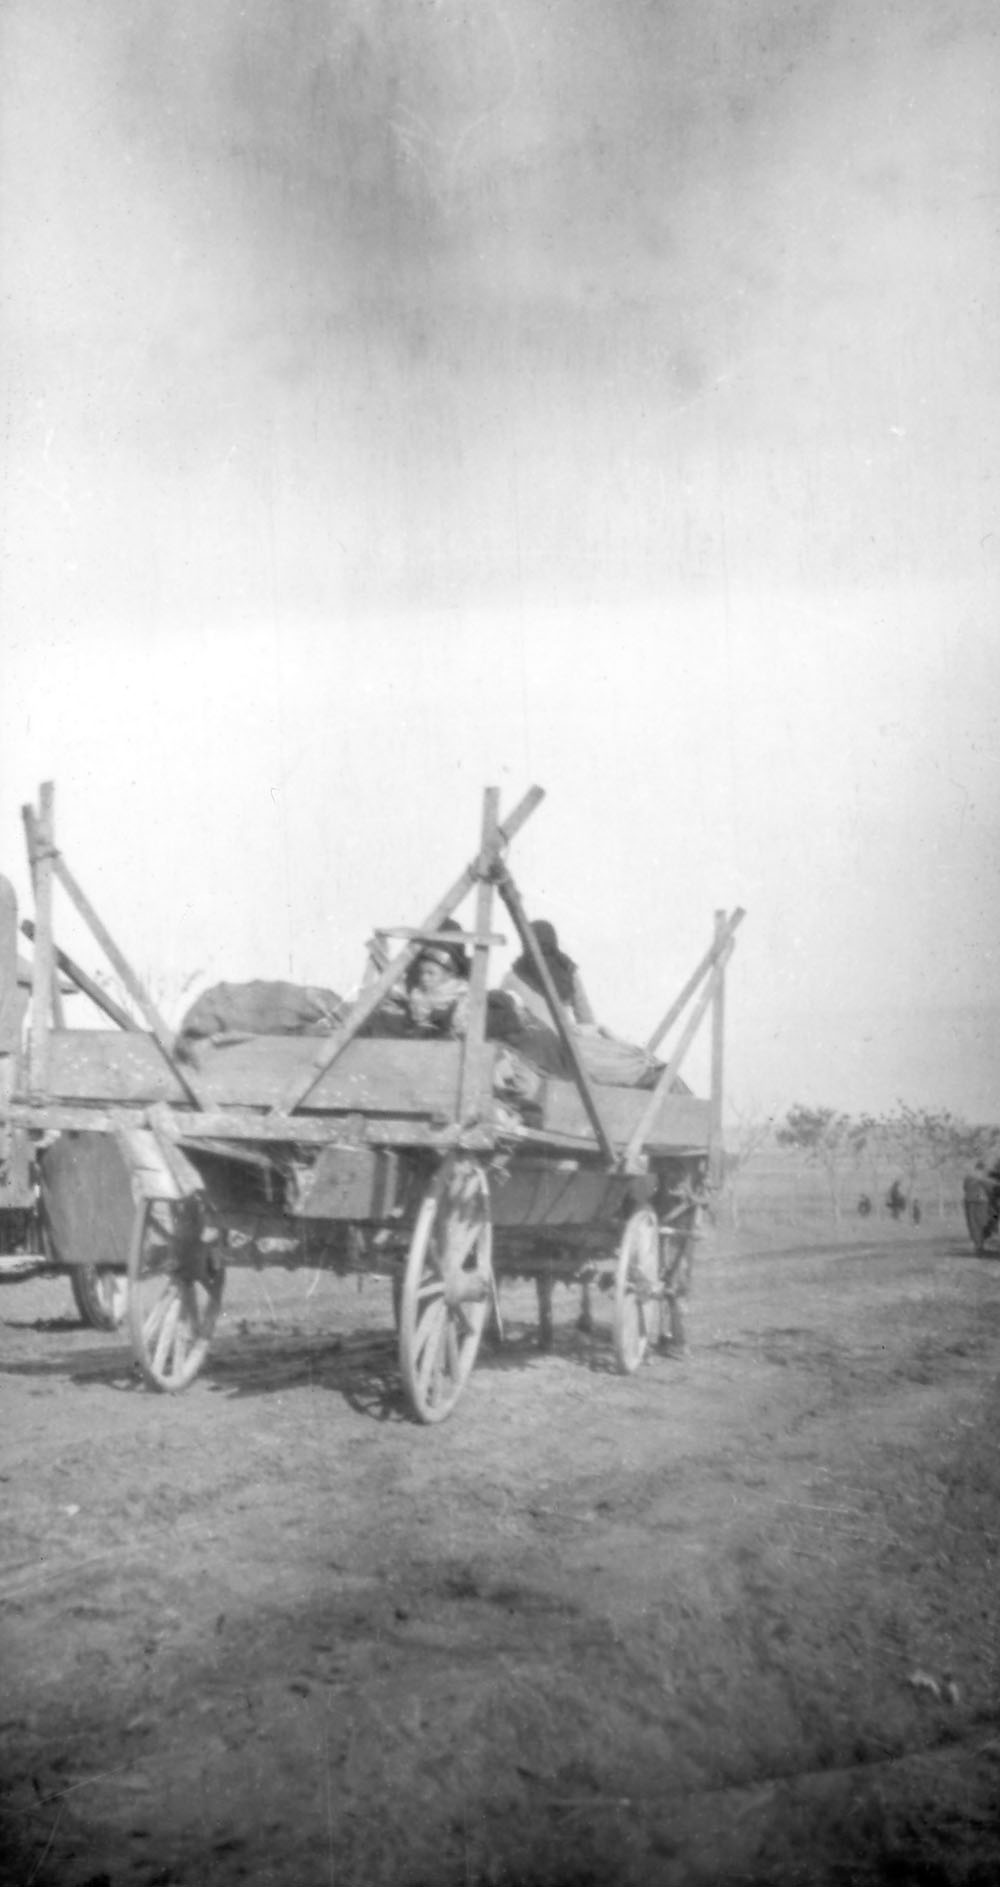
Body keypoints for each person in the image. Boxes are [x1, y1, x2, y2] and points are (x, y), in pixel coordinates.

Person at [501, 918, 663, 1090]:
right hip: (570, 1048)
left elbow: (502, 1021)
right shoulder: (567, 973)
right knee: (630, 1059)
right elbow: (586, 1020)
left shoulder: (513, 977)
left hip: (536, 1052)